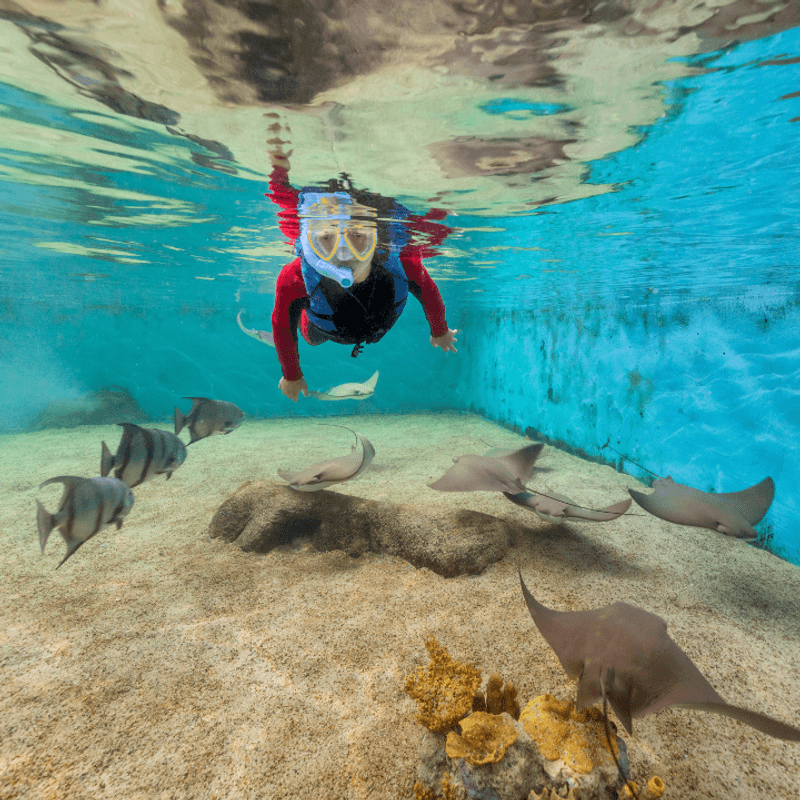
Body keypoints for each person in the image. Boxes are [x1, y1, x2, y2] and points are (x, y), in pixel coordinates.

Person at [267, 165, 458, 402]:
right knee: (310, 338)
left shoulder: (403, 264)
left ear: (376, 238)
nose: (344, 254)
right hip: (319, 329)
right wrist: (291, 375)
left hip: (374, 327)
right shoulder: (295, 278)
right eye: (326, 238)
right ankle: (306, 315)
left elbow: (428, 292)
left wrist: (440, 330)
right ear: (310, 243)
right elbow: (282, 325)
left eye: (357, 236)